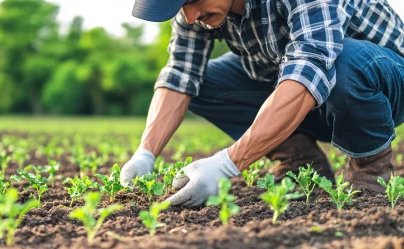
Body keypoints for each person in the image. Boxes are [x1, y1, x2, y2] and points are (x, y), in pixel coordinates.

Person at [120, 0, 404, 207]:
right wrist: (145, 154)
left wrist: (225, 165)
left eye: (192, 1)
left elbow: (311, 66)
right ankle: (299, 159)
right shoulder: (197, 13)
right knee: (200, 85)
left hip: (384, 84)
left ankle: (370, 170)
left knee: (342, 61)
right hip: (305, 87)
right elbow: (180, 74)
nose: (190, 16)